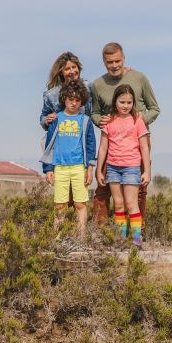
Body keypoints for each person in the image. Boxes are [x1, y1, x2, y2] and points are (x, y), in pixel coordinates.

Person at [90, 43, 161, 227]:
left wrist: (135, 121)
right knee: (103, 187)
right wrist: (101, 120)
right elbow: (94, 113)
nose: (114, 65)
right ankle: (101, 232)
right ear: (104, 62)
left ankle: (138, 233)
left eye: (117, 61)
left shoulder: (139, 78)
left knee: (139, 191)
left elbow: (154, 108)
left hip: (137, 140)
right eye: (109, 62)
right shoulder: (97, 85)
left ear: (124, 58)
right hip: (110, 141)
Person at [95, 84, 151, 247]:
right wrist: (99, 170)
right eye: (122, 102)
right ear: (115, 102)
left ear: (133, 103)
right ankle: (120, 239)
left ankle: (136, 240)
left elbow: (144, 147)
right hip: (112, 168)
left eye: (129, 102)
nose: (125, 106)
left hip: (131, 168)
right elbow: (103, 147)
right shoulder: (109, 121)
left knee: (131, 204)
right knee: (118, 204)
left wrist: (146, 171)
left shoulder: (137, 121)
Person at [42, 80, 98, 234]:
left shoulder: (85, 121)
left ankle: (80, 238)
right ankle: (57, 239)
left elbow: (91, 146)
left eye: (78, 100)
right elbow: (49, 146)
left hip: (79, 167)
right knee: (60, 205)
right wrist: (48, 169)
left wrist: (90, 169)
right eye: (70, 99)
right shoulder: (56, 119)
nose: (74, 103)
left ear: (82, 102)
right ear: (64, 99)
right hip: (60, 167)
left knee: (80, 204)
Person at [39, 51, 92, 130]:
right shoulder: (51, 95)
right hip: (60, 137)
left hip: (82, 135)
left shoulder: (88, 87)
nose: (72, 71)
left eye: (74, 67)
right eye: (67, 69)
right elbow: (43, 116)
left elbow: (94, 111)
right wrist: (46, 121)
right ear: (61, 73)